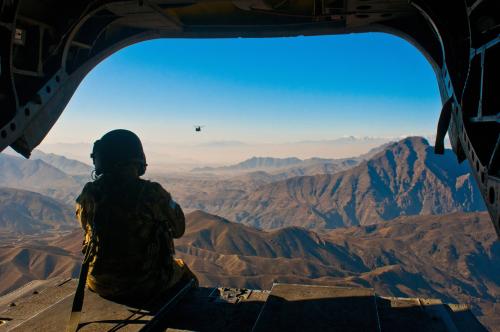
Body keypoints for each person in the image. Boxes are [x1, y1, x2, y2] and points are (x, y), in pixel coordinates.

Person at [75, 129, 197, 302]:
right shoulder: (152, 193)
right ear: (137, 160)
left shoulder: (89, 193)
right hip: (145, 282)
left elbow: (85, 225)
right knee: (187, 277)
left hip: (99, 282)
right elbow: (178, 229)